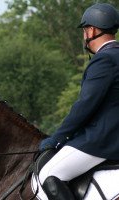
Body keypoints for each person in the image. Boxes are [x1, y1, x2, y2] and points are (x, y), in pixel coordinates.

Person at [38, 3, 119, 200]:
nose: (84, 35)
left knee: (48, 174)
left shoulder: (104, 60)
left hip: (102, 141)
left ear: (92, 30)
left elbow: (85, 106)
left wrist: (58, 137)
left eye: (85, 30)